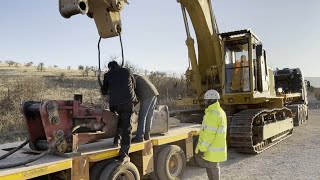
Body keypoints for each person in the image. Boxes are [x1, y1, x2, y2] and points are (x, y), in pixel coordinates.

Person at [101, 61, 137, 165]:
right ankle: (124, 155)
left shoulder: (107, 75)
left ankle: (116, 142)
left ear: (109, 68)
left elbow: (104, 91)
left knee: (117, 122)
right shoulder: (127, 71)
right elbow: (133, 85)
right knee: (126, 127)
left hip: (115, 104)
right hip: (128, 102)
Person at [195, 89, 227, 180]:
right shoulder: (219, 111)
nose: (205, 102)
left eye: (206, 100)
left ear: (211, 100)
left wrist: (202, 149)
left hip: (211, 149)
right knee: (211, 167)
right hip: (214, 148)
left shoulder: (212, 114)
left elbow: (209, 135)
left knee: (212, 168)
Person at [131, 74, 159, 143]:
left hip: (147, 95)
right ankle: (147, 135)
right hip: (154, 93)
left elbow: (132, 94)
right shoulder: (137, 76)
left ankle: (140, 137)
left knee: (142, 116)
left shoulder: (130, 79)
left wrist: (132, 107)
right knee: (149, 116)